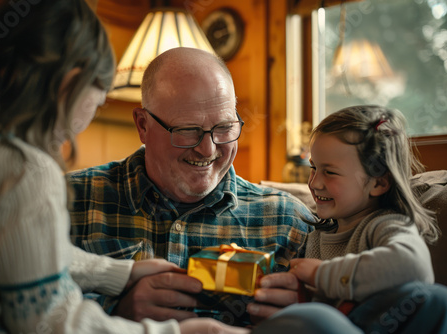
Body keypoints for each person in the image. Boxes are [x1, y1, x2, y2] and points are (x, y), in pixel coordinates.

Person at [0, 2, 247, 334]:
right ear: (69, 85)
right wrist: (182, 332)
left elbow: (38, 254)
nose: (206, 147)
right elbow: (46, 321)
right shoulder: (27, 173)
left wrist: (123, 274)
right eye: (99, 100)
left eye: (223, 127)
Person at [67, 46, 315, 325]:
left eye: (224, 128)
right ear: (143, 125)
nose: (208, 149)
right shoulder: (68, 201)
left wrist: (306, 312)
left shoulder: (290, 222)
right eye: (187, 130)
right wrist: (114, 313)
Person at [247, 105, 447, 333]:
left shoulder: (385, 224)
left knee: (441, 301)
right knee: (310, 318)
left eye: (330, 172)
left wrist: (319, 274)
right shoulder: (314, 237)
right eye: (313, 168)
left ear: (378, 183)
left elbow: (413, 265)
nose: (314, 183)